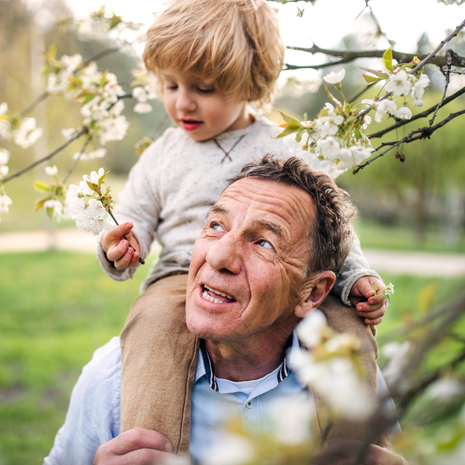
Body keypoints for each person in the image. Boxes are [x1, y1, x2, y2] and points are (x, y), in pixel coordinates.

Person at [97, 0, 388, 454]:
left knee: (349, 328)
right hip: (182, 276)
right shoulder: (161, 156)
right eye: (170, 85)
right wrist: (118, 248)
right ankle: (151, 450)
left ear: (250, 83)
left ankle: (357, 449)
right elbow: (129, 223)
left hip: (282, 276)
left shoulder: (283, 145)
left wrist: (356, 279)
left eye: (204, 88)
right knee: (152, 325)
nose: (182, 102)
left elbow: (330, 228)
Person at [44, 156, 404, 465]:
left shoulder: (352, 385)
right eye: (216, 225)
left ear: (313, 293)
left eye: (264, 242)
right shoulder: (113, 378)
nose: (217, 257)